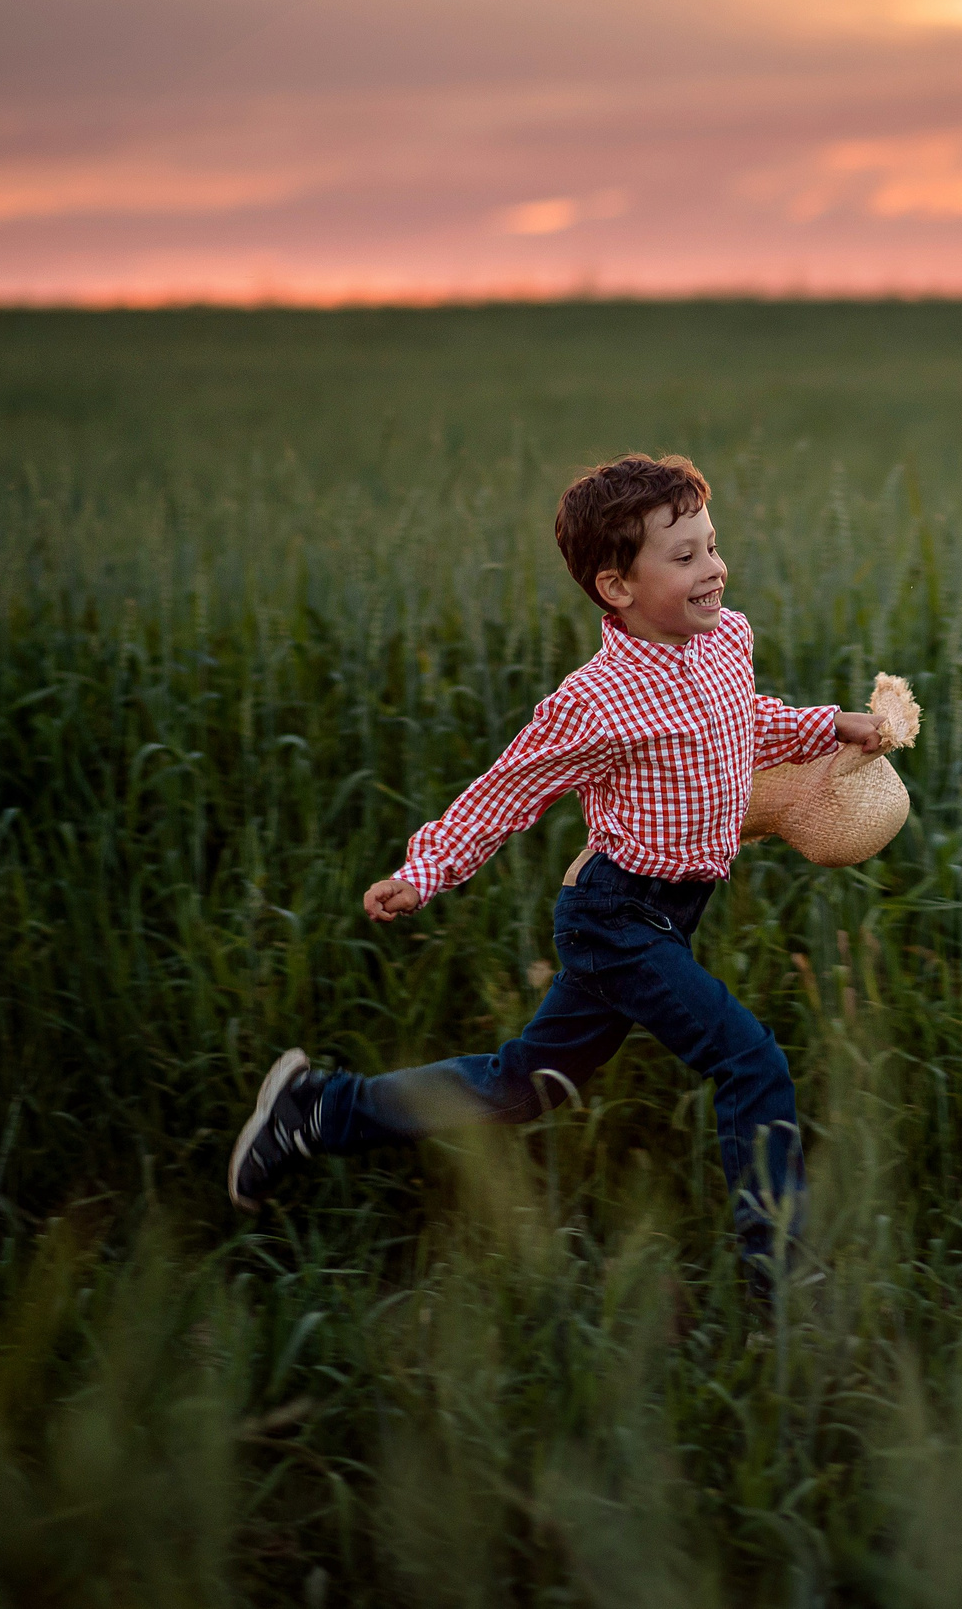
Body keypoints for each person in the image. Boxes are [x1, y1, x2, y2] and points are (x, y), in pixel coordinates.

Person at [226, 452, 887, 1291]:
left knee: (523, 1085)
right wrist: (426, 869)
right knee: (750, 1062)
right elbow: (508, 789)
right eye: (683, 556)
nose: (713, 567)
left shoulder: (729, 640)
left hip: (674, 914)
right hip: (615, 918)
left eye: (712, 544)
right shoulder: (594, 699)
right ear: (617, 587)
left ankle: (316, 1111)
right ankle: (785, 1283)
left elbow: (741, 721)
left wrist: (833, 726)